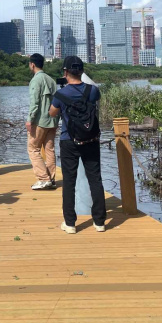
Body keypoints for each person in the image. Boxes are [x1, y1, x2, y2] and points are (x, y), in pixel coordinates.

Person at [48, 55, 106, 234]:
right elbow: (96, 100)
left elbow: (52, 113)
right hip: (91, 140)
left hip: (69, 140)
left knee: (69, 181)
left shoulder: (61, 94)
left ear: (65, 72)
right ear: (81, 71)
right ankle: (99, 222)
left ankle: (70, 223)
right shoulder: (93, 91)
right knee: (95, 179)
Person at [26, 53, 59, 190]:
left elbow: (35, 102)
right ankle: (51, 178)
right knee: (49, 149)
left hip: (40, 120)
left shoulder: (35, 80)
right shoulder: (51, 80)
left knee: (33, 148)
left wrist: (30, 120)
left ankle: (43, 178)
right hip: (53, 120)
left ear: (32, 64)